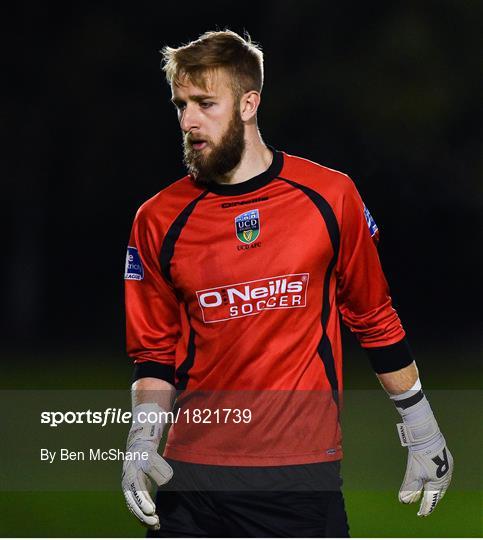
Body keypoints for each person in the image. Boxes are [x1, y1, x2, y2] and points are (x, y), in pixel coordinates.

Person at [121, 30, 453, 537]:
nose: (189, 121)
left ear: (249, 103)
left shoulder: (329, 196)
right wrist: (143, 439)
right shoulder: (158, 219)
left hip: (299, 479)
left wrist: (422, 427)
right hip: (188, 477)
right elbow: (154, 352)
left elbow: (372, 314)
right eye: (181, 104)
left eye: (205, 103)